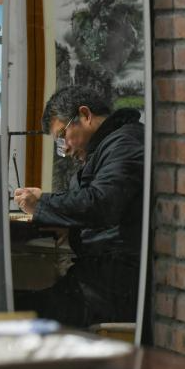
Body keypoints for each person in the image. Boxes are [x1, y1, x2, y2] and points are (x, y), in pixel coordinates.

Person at [14, 86, 144, 328]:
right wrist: (66, 222)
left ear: (85, 115)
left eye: (62, 136)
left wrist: (42, 203)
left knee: (15, 311)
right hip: (99, 279)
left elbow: (101, 203)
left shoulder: (124, 144)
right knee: (16, 305)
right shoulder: (109, 147)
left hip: (113, 286)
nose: (65, 149)